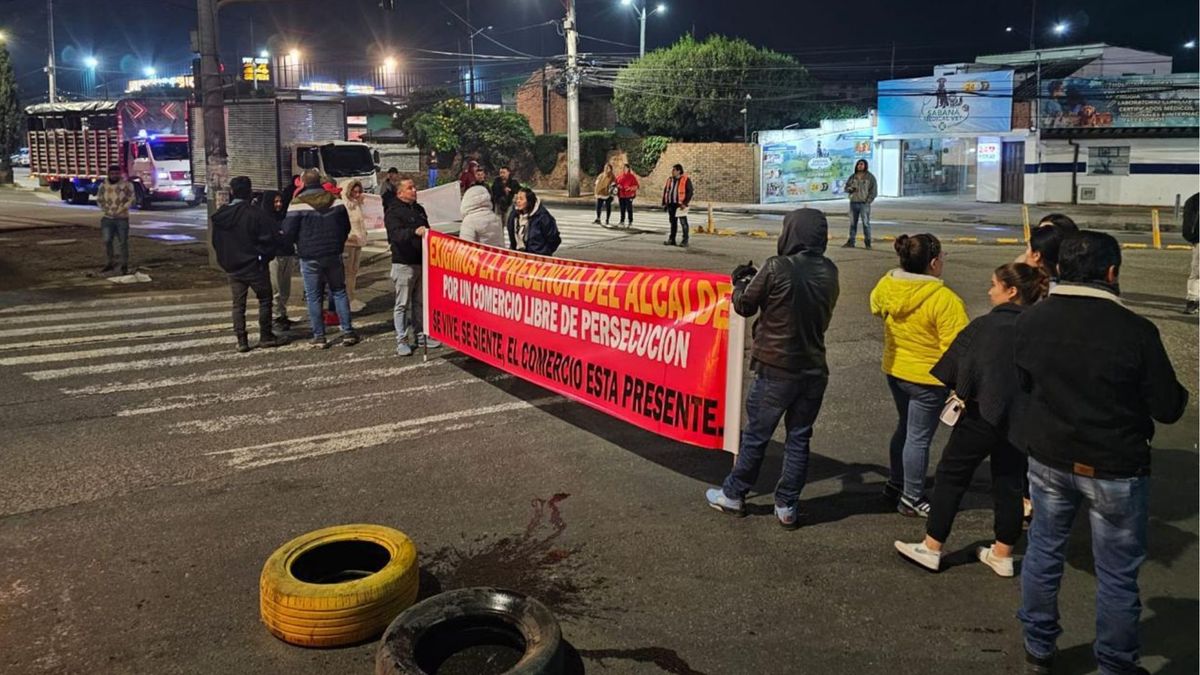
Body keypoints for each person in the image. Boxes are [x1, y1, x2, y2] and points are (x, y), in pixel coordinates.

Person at [1014, 231, 1188, 675]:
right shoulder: (1135, 331)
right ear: (1111, 273)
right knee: (1115, 572)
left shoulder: (1032, 320)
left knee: (1043, 551)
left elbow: (1024, 383)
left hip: (1049, 457)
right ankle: (1114, 662)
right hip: (1115, 467)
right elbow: (1168, 407)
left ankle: (1038, 645)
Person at [893, 263, 1049, 576]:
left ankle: (932, 545)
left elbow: (958, 368)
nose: (990, 290)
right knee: (1009, 481)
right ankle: (1003, 553)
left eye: (994, 285)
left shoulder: (985, 326)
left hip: (980, 415)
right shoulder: (1041, 329)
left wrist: (962, 393)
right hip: (1020, 418)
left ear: (1011, 290)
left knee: (951, 475)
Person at [704, 209, 840, 529]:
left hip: (776, 368)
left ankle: (734, 494)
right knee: (799, 438)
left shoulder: (778, 266)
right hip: (814, 369)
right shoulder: (830, 270)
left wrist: (741, 281)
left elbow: (745, 304)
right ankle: (788, 505)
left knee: (756, 436)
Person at [870, 233, 968, 517]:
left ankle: (896, 482)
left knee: (905, 428)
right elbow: (957, 346)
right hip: (928, 379)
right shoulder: (944, 299)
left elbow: (876, 306)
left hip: (895, 370)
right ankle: (911, 496)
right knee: (918, 437)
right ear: (934, 263)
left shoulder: (888, 284)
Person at [281, 169, 359, 349]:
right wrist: (338, 244)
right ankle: (348, 332)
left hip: (309, 256)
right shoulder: (335, 201)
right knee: (339, 292)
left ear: (303, 182)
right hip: (333, 253)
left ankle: (319, 336)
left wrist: (298, 245)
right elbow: (345, 226)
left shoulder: (297, 203)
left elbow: (288, 231)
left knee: (314, 296)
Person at [211, 176, 284, 353]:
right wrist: (263, 257)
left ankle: (241, 339)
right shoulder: (255, 214)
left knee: (238, 303)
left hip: (233, 266)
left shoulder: (221, 216)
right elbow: (270, 239)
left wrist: (225, 260)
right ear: (250, 192)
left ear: (232, 192)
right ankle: (265, 335)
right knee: (265, 299)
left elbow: (216, 242)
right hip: (254, 265)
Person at [385, 178, 442, 357]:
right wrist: (413, 232)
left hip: (421, 262)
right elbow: (395, 235)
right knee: (402, 303)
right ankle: (402, 339)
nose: (414, 190)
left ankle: (421, 335)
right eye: (410, 188)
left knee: (419, 302)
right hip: (403, 262)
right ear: (400, 193)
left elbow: (427, 229)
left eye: (414, 187)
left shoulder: (419, 210)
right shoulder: (393, 212)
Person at [262, 190, 296, 334]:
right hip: (274, 257)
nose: (279, 204)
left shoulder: (284, 216)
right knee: (275, 289)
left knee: (285, 288)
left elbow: (289, 234)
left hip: (287, 254)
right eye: (276, 202)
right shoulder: (264, 219)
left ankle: (282, 314)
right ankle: (276, 317)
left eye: (280, 201)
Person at [95, 163, 135, 276]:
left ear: (120, 174)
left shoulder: (127, 185)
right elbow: (99, 199)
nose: (114, 175)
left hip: (122, 218)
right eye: (112, 173)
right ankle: (110, 262)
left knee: (123, 242)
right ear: (108, 174)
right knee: (107, 241)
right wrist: (104, 209)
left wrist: (122, 209)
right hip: (107, 218)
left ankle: (124, 265)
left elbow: (131, 198)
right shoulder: (103, 185)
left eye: (117, 173)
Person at [506, 187, 561, 256]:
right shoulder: (514, 215)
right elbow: (511, 234)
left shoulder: (543, 217)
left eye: (521, 199)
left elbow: (554, 239)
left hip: (538, 257)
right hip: (519, 256)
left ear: (529, 201)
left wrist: (544, 252)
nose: (518, 201)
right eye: (517, 198)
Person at [342, 179, 368, 308]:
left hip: (358, 241)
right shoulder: (345, 205)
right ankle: (348, 298)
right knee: (348, 272)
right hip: (349, 242)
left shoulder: (357, 204)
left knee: (354, 271)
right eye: (354, 192)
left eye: (359, 192)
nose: (357, 194)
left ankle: (352, 296)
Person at [842, 159, 877, 249]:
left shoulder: (870, 177)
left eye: (862, 164)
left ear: (865, 166)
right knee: (853, 223)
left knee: (866, 223)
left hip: (864, 204)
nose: (860, 166)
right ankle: (851, 242)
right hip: (853, 203)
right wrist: (850, 189)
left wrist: (868, 201)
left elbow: (873, 191)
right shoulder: (853, 177)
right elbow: (846, 188)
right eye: (858, 164)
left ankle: (868, 243)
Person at [460, 183, 504, 248]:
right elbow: (500, 243)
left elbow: (465, 248)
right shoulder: (496, 218)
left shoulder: (469, 221)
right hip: (496, 256)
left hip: (478, 257)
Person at [661, 164, 694, 247]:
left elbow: (690, 192)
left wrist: (685, 203)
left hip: (680, 205)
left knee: (683, 223)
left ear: (679, 171)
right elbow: (666, 191)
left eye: (674, 170)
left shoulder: (685, 180)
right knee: (673, 223)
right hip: (671, 204)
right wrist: (665, 203)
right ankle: (672, 239)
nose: (672, 172)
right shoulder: (670, 180)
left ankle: (685, 240)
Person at [1182, 192, 1198, 314]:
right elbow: (1189, 224)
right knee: (1198, 272)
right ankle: (1193, 301)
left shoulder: (1193, 200)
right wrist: (1194, 237)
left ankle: (1193, 301)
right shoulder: (1195, 201)